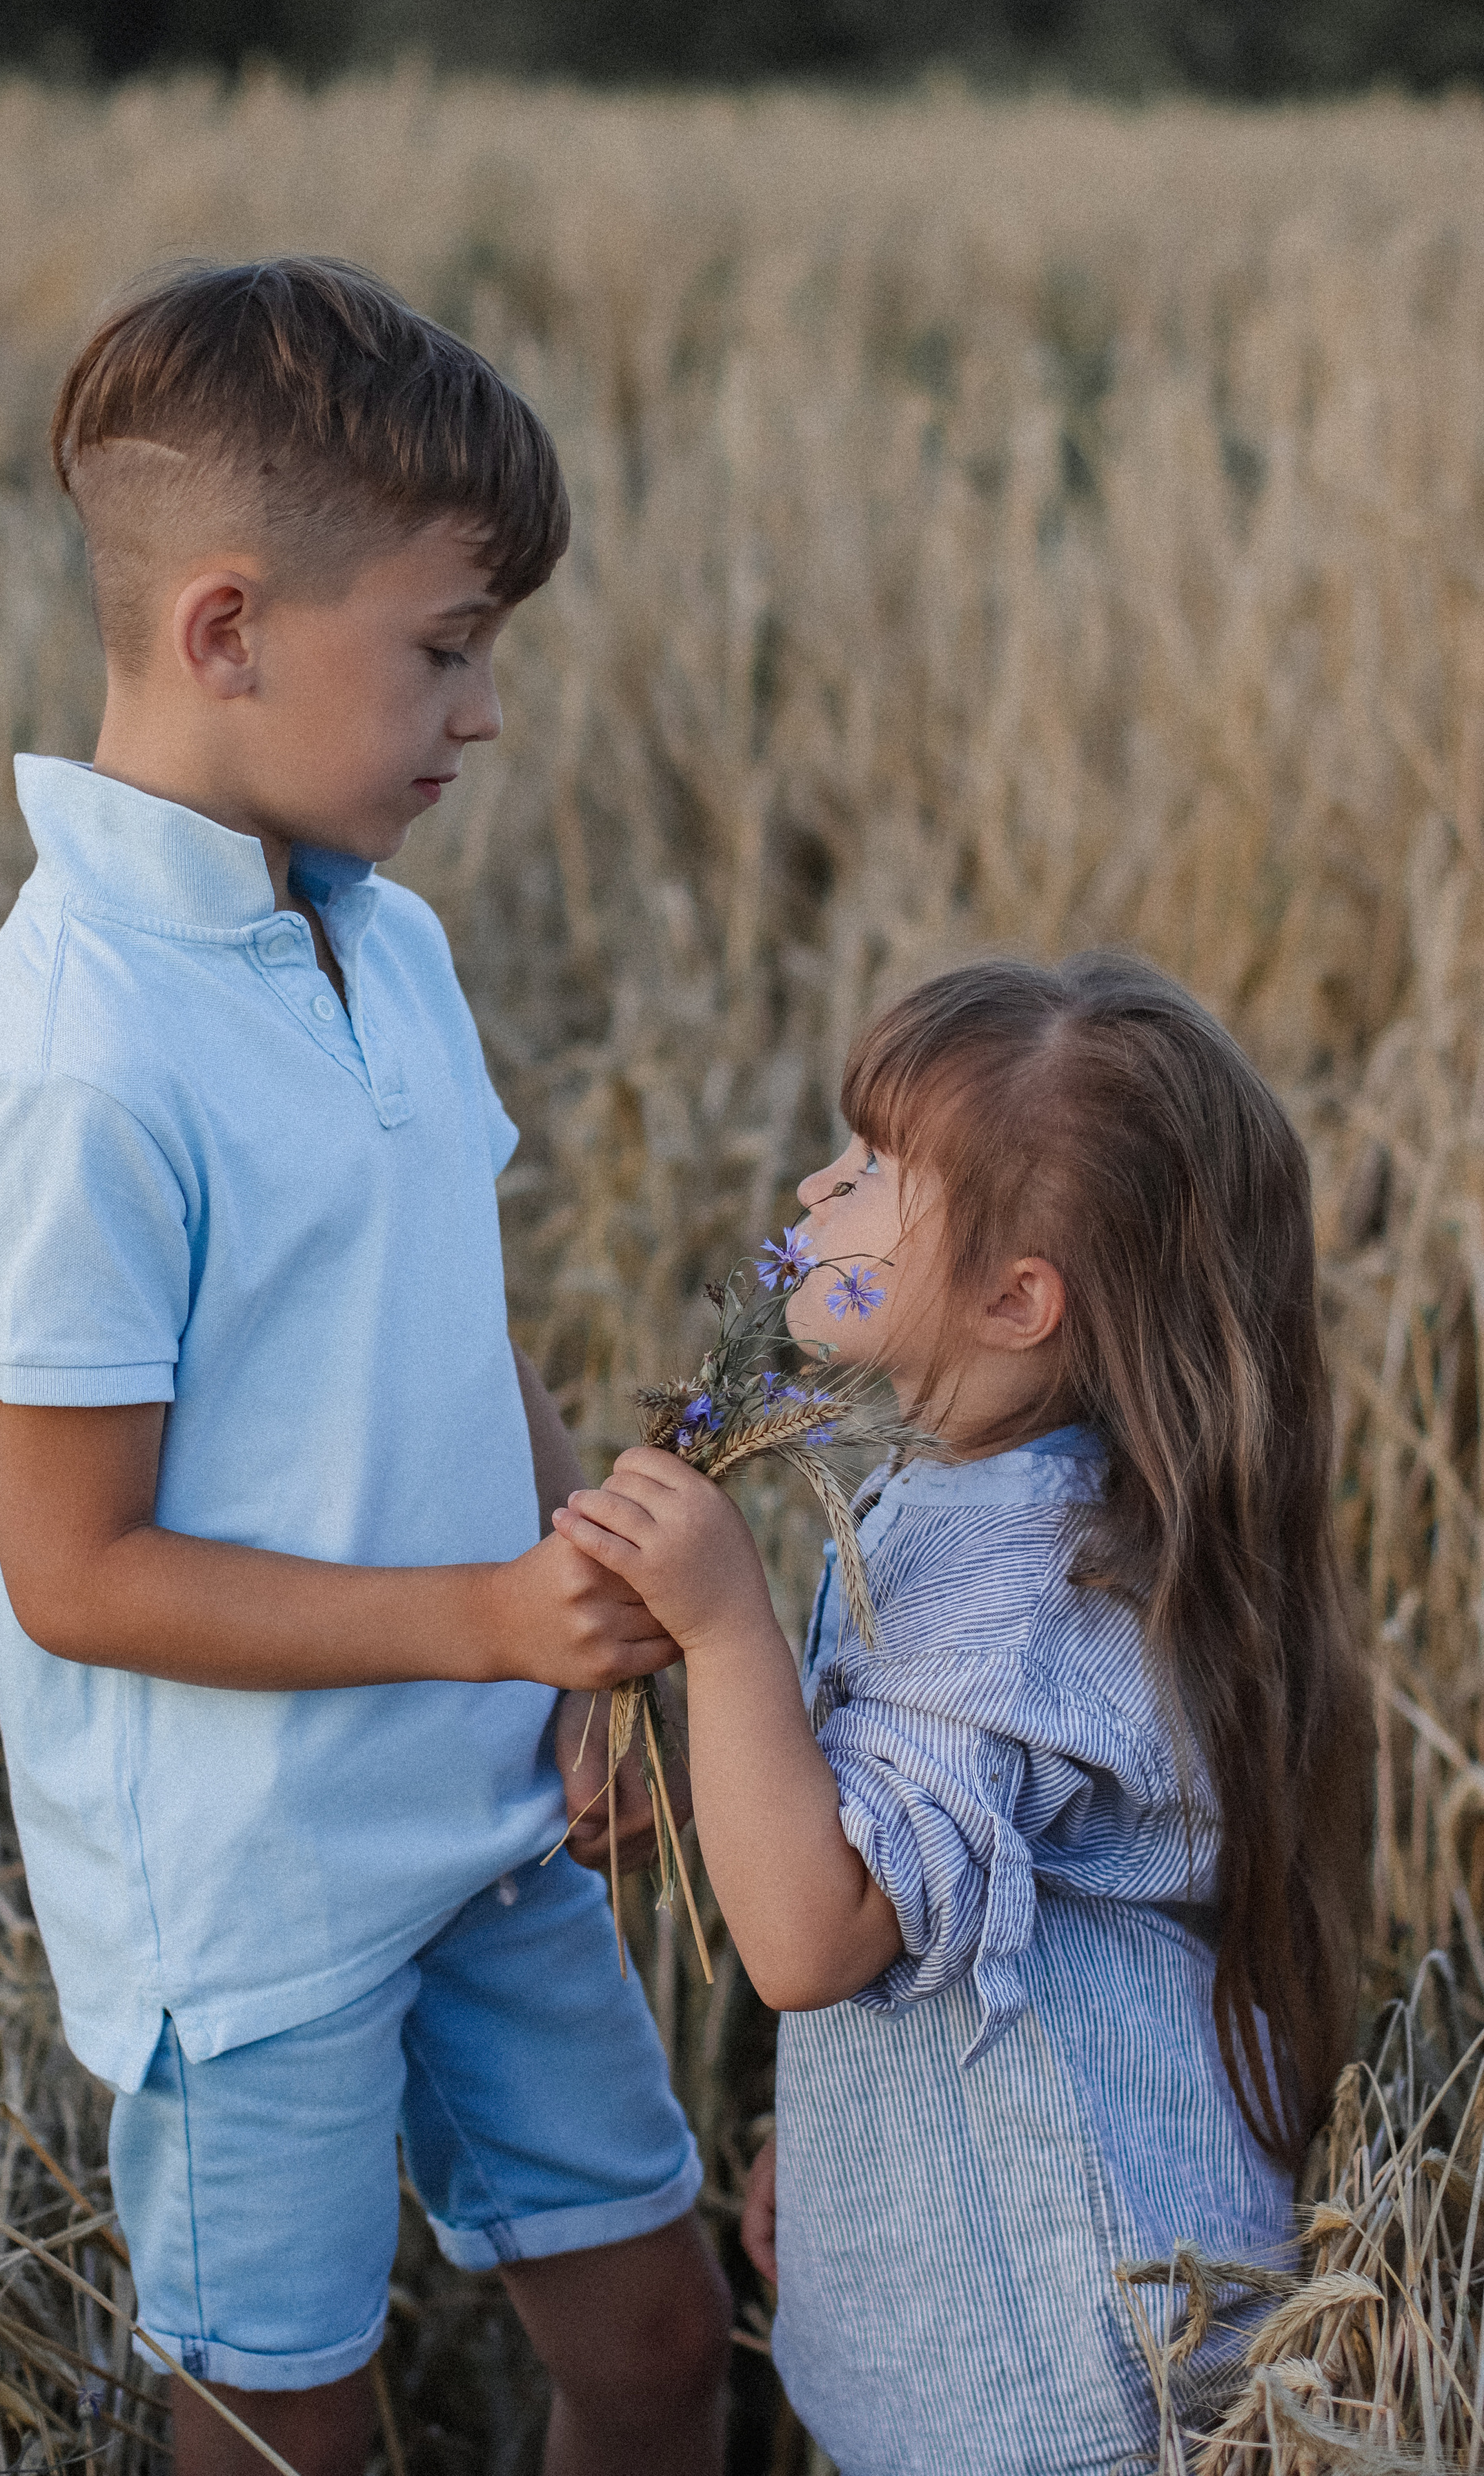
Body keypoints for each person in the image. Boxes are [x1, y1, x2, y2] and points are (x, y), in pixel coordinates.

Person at [0, 258, 731, 2476]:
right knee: (289, 2434)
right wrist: (480, 1623)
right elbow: (78, 1572)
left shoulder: (386, 936)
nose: (483, 716)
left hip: (477, 1818)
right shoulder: (77, 1067)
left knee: (661, 2344)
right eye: (448, 650)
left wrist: (572, 1629)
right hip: (250, 1900)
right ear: (229, 632)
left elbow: (450, 1321)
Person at [553, 952, 1371, 2476]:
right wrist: (842, 2141)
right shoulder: (992, 1494)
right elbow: (936, 1879)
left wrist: (723, 1626)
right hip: (990, 2237)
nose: (813, 1181)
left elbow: (812, 1935)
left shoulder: (1022, 1588)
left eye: (870, 1174)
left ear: (1013, 1300)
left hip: (1057, 2336)